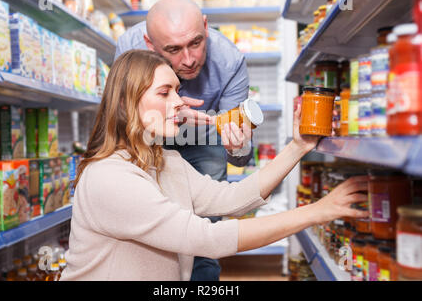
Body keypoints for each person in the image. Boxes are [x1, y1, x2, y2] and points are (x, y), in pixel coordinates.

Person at [60, 50, 369, 281]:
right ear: (128, 102)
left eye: (177, 91)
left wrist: (298, 146)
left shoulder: (164, 159)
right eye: (165, 92)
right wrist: (316, 211)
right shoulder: (110, 177)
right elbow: (207, 239)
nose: (180, 101)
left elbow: (229, 199)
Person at [114, 0, 254, 280]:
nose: (188, 60)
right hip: (149, 136)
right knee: (145, 224)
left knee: (203, 232)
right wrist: (165, 115)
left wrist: (238, 146)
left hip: (204, 138)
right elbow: (118, 125)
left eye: (196, 43)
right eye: (173, 50)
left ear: (205, 26)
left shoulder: (230, 61)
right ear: (149, 45)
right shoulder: (129, 47)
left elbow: (241, 154)